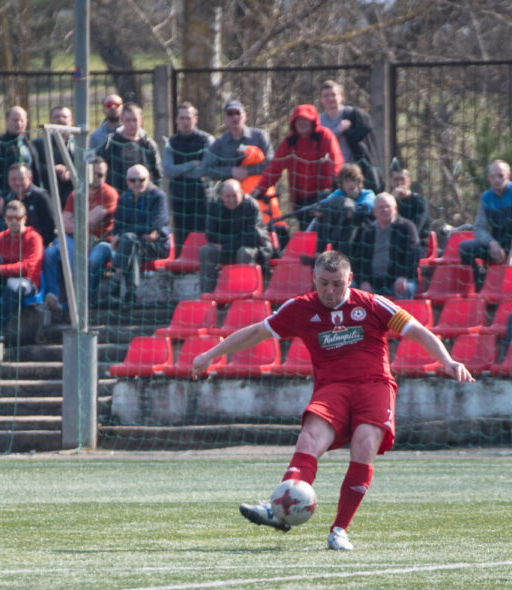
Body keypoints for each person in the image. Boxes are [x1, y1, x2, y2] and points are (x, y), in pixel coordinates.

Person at [190, 249, 473, 551]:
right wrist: (210, 355)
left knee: (364, 445)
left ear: (350, 279)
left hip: (374, 386)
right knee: (309, 439)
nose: (329, 290)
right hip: (331, 389)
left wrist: (447, 361)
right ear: (313, 279)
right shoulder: (300, 308)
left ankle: (339, 530)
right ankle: (279, 509)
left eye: (337, 283)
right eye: (323, 283)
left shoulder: (373, 304)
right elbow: (258, 332)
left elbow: (416, 330)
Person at [41, 157, 118, 315]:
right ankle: (53, 298)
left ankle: (78, 305)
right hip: (75, 240)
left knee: (93, 259)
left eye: (100, 175)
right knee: (50, 254)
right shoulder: (76, 194)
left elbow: (90, 221)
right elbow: (64, 224)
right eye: (93, 174)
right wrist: (78, 223)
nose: (96, 178)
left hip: (101, 242)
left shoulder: (109, 193)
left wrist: (75, 222)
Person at [101, 164, 171, 303]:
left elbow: (154, 225)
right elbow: (117, 228)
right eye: (133, 180)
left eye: (141, 180)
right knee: (130, 243)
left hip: (157, 246)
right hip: (136, 244)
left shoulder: (158, 196)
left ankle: (115, 281)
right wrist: (140, 232)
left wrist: (126, 232)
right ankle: (130, 294)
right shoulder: (123, 199)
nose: (137, 183)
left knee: (128, 240)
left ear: (148, 179)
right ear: (127, 181)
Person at [258, 103, 342, 216]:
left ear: (313, 122)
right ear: (294, 122)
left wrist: (335, 187)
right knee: (304, 231)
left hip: (324, 196)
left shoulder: (324, 136)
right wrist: (260, 188)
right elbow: (275, 167)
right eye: (299, 120)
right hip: (300, 199)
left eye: (305, 120)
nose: (302, 123)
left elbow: (336, 161)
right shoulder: (290, 141)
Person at [458, 160, 512, 277]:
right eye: (493, 176)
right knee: (465, 248)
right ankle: (480, 286)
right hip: (498, 243)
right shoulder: (485, 198)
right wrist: (491, 242)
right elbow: (479, 228)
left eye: (501, 176)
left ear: (509, 176)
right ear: (488, 178)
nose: (497, 180)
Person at [198, 178, 271, 296]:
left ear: (242, 194)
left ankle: (245, 295)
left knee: (244, 252)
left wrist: (224, 245)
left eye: (234, 196)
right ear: (221, 196)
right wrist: (232, 242)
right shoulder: (214, 205)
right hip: (231, 248)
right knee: (206, 251)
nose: (231, 200)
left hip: (255, 248)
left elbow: (252, 237)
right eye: (227, 196)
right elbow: (210, 235)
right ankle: (207, 296)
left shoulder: (251, 205)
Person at [0, 198, 44, 317]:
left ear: (24, 219)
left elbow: (28, 267)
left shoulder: (33, 238)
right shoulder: (0, 238)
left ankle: (0, 327)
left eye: (17, 218)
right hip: (2, 280)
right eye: (9, 218)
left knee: (12, 287)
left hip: (26, 280)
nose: (13, 222)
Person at [350, 192, 421, 299]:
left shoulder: (407, 227)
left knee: (405, 289)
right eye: (381, 208)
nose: (385, 210)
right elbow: (358, 260)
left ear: (396, 208)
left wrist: (403, 276)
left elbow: (413, 255)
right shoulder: (367, 231)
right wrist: (363, 281)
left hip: (397, 280)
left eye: (388, 206)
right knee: (349, 289)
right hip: (372, 282)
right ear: (374, 212)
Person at [163, 102, 214, 240]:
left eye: (189, 118)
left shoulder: (206, 140)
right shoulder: (171, 142)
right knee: (181, 238)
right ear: (176, 120)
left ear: (196, 119)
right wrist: (191, 164)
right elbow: (167, 170)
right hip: (179, 198)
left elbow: (204, 170)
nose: (185, 121)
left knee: (201, 237)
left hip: (201, 196)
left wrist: (179, 170)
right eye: (182, 118)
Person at [317, 80, 380, 191]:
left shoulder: (353, 115)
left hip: (355, 170)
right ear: (321, 99)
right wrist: (337, 130)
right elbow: (320, 144)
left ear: (341, 97)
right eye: (326, 96)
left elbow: (367, 129)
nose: (330, 99)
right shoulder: (319, 122)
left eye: (333, 95)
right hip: (332, 174)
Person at [310, 164, 375, 260]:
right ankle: (319, 254)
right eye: (347, 181)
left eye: (354, 180)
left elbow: (365, 208)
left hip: (363, 233)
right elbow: (320, 206)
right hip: (341, 234)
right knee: (325, 215)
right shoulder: (338, 194)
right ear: (342, 183)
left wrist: (349, 208)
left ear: (359, 182)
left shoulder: (368, 194)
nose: (351, 184)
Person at [95, 102, 162, 194]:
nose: (132, 124)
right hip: (117, 195)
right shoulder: (110, 143)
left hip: (144, 197)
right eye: (128, 120)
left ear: (141, 120)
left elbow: (157, 174)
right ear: (122, 120)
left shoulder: (148, 145)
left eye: (134, 120)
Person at [0, 105, 36, 213]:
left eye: (22, 120)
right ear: (7, 121)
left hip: (27, 200)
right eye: (15, 120)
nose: (19, 124)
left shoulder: (29, 145)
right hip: (5, 201)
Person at [0, 162, 55, 241]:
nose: (17, 183)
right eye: (13, 179)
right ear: (8, 181)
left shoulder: (41, 197)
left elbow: (50, 229)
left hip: (39, 245)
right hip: (14, 246)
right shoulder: (8, 200)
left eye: (21, 179)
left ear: (30, 179)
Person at [387, 167, 431, 247]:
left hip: (414, 244)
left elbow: (416, 228)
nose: (399, 183)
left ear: (408, 181)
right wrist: (392, 200)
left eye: (402, 179)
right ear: (391, 181)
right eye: (396, 179)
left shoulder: (420, 202)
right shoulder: (386, 203)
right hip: (390, 244)